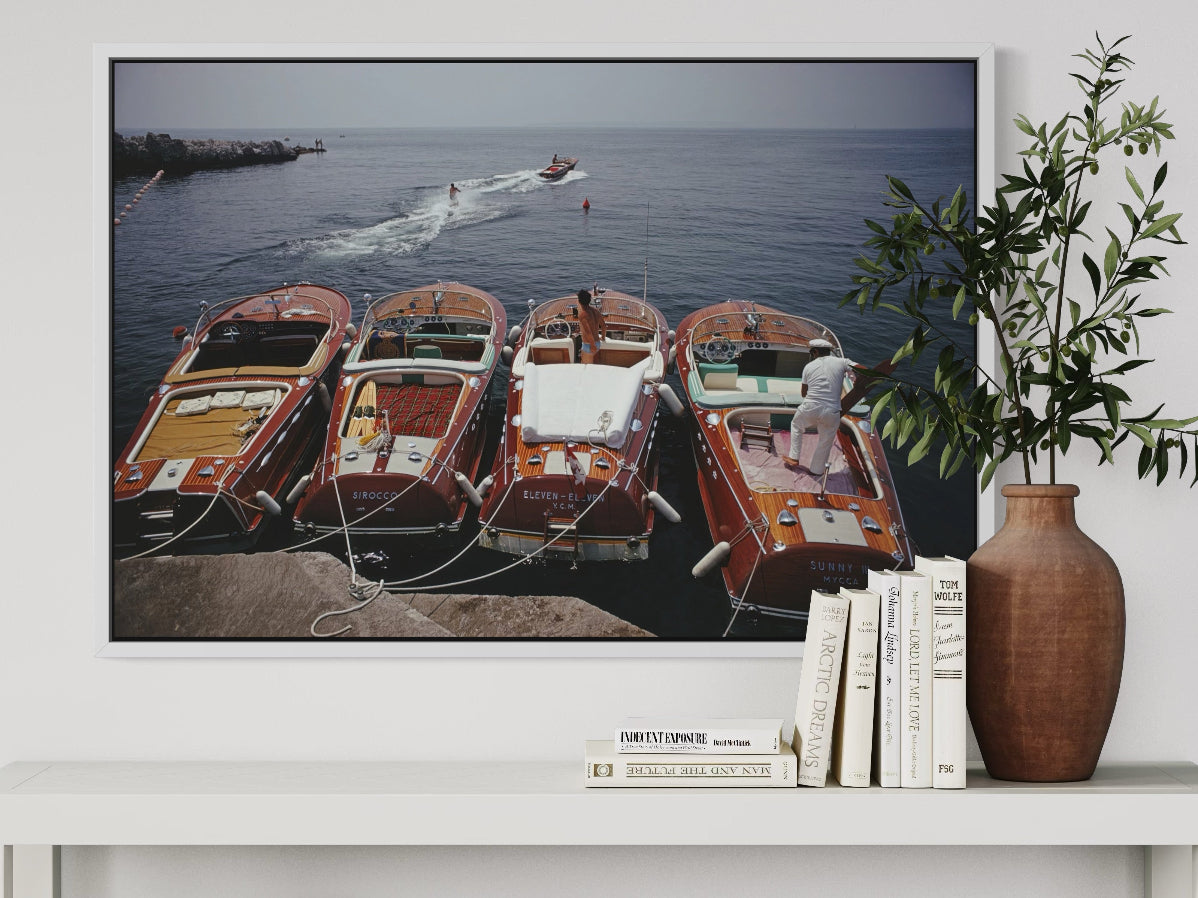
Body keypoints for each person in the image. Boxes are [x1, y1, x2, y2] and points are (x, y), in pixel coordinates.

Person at [785, 338, 858, 475]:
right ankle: (817, 470)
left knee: (796, 425)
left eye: (812, 352)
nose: (812, 355)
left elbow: (803, 393)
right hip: (832, 411)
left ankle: (794, 457)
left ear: (816, 351)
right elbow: (861, 368)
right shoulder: (842, 362)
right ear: (829, 351)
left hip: (811, 407)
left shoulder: (808, 367)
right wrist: (858, 379)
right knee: (825, 441)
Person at [576, 289, 606, 364]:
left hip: (589, 345)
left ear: (579, 301)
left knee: (585, 365)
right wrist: (603, 337)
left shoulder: (582, 315)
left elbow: (588, 332)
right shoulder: (596, 311)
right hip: (597, 343)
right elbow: (603, 326)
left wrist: (592, 346)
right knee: (593, 363)